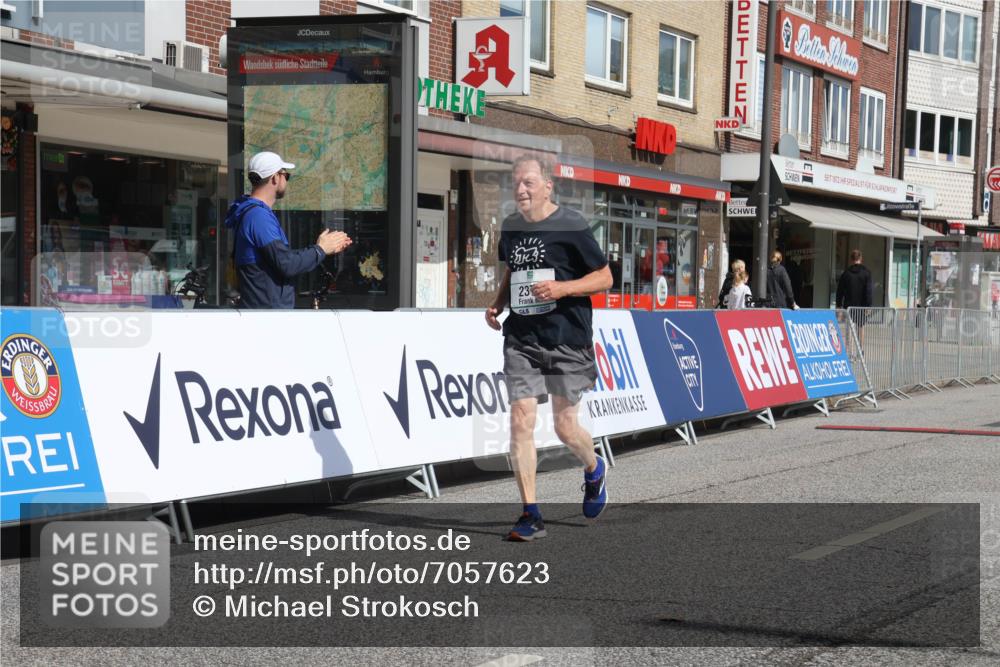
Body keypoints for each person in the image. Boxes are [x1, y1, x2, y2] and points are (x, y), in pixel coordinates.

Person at [485, 153, 613, 542]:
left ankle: (594, 468)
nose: (520, 189)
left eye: (528, 182)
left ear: (547, 185)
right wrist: (499, 302)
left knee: (564, 427)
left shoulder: (571, 225)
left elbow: (605, 277)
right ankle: (530, 513)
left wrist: (562, 288)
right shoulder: (510, 227)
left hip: (566, 338)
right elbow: (513, 270)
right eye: (516, 183)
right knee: (521, 418)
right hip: (522, 337)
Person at [225, 151, 352, 309]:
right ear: (275, 178)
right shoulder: (258, 217)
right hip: (268, 317)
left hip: (263, 313)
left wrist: (321, 249)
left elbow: (282, 260)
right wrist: (321, 250)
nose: (286, 179)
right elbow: (286, 264)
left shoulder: (252, 213)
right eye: (286, 175)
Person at [836, 248, 874, 344]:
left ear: (851, 259)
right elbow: (869, 291)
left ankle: (849, 351)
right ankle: (860, 352)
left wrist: (839, 305)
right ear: (861, 258)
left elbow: (840, 291)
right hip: (861, 306)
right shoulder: (866, 273)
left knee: (849, 328)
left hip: (849, 305)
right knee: (860, 327)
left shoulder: (846, 274)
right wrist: (868, 306)